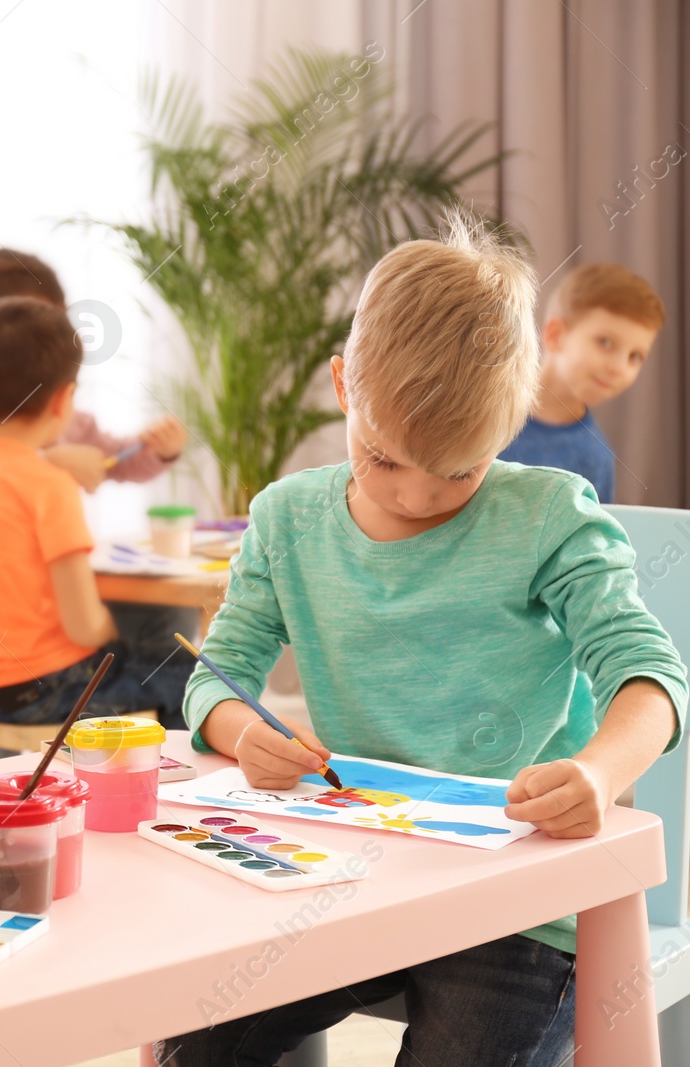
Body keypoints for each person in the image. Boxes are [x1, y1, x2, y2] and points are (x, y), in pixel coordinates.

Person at [166, 218, 685, 1066]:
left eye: (459, 472)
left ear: (511, 420)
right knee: (195, 1040)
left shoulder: (549, 515)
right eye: (382, 458)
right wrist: (240, 730)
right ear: (343, 385)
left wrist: (599, 772)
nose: (415, 496)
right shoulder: (286, 516)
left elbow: (651, 674)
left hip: (519, 899)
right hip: (336, 869)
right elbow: (215, 675)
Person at [0, 297, 194, 729]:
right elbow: (84, 627)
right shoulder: (49, 484)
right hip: (48, 690)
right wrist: (116, 629)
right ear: (63, 400)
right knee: (190, 674)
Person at [0, 247, 185, 491]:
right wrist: (48, 460)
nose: (50, 340)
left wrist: (159, 448)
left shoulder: (49, 394)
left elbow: (112, 460)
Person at [499, 261, 664, 503]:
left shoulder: (595, 459)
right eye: (605, 342)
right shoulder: (486, 410)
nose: (619, 367)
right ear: (555, 335)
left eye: (635, 356)